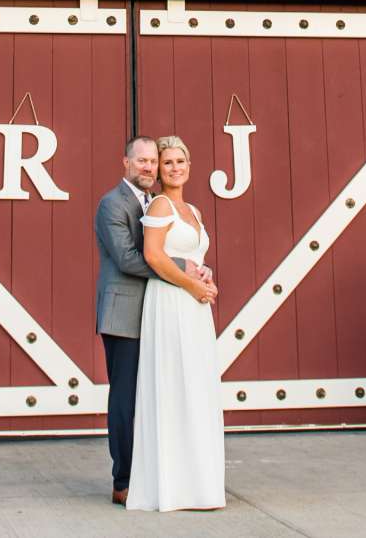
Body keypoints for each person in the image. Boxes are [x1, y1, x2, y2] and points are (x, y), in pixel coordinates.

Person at [128, 134, 225, 512]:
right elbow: (153, 256)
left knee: (197, 386)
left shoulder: (195, 212)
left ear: (189, 165)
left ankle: (200, 485)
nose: (173, 168)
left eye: (179, 161)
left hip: (195, 307)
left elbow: (194, 257)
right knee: (173, 384)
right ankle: (171, 487)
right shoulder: (160, 206)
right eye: (166, 163)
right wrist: (191, 287)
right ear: (160, 169)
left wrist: (207, 281)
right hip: (169, 302)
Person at [93, 136, 159, 505]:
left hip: (153, 312)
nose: (148, 167)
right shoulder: (111, 204)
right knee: (125, 399)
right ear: (125, 163)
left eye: (153, 161)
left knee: (150, 395)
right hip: (121, 314)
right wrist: (179, 271)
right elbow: (127, 259)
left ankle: (149, 471)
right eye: (141, 161)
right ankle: (123, 480)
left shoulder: (156, 203)